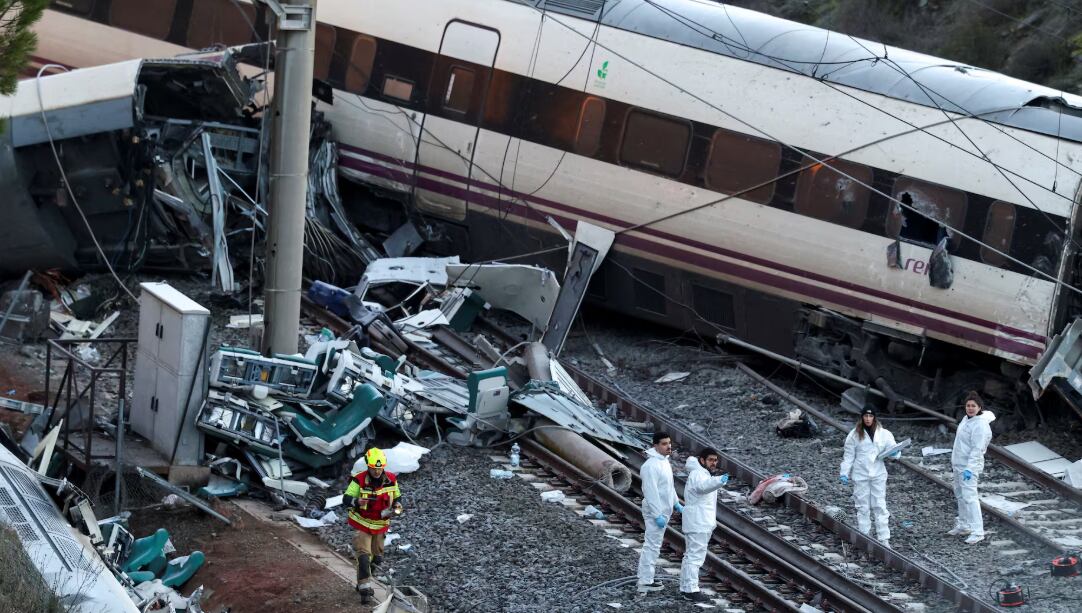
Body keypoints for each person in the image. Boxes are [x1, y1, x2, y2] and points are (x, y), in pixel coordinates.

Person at [343, 447, 402, 598]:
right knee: (364, 555)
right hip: (362, 523)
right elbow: (346, 498)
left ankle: (365, 578)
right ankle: (364, 588)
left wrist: (397, 505)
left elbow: (397, 497)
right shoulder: (359, 480)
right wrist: (356, 501)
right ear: (368, 465)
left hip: (380, 525)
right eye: (374, 468)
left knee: (377, 558)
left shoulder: (391, 479)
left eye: (380, 468)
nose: (377, 471)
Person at [839, 406, 897, 547]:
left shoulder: (884, 434)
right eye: (866, 416)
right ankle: (864, 536)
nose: (868, 419)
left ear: (874, 417)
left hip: (878, 473)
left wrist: (895, 454)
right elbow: (849, 456)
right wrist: (844, 472)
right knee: (862, 506)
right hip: (861, 474)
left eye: (871, 416)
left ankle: (884, 539)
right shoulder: (854, 435)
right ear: (862, 418)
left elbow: (894, 447)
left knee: (879, 505)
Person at [679, 448, 729, 603]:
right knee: (695, 556)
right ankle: (691, 590)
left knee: (691, 556)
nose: (714, 463)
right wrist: (719, 480)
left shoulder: (702, 473)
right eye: (710, 460)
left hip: (699, 522)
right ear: (702, 460)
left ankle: (686, 588)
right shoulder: (698, 474)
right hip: (698, 522)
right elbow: (703, 487)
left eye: (715, 460)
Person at [637, 431, 681, 594]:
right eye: (664, 443)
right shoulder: (650, 466)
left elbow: (668, 486)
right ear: (655, 446)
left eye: (669, 443)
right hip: (656, 511)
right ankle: (645, 581)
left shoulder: (664, 461)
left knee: (655, 544)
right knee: (652, 545)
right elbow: (650, 492)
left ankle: (647, 577)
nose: (669, 446)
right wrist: (657, 515)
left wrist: (676, 502)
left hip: (664, 509)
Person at [950, 391, 995, 544]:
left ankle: (978, 531)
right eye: (968, 405)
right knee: (960, 495)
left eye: (973, 406)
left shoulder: (980, 425)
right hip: (958, 464)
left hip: (969, 467)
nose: (970, 408)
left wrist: (970, 468)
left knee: (970, 498)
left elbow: (978, 449)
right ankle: (964, 525)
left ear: (979, 407)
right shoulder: (966, 419)